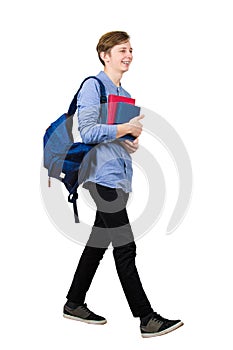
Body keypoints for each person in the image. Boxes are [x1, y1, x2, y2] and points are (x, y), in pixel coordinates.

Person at [63, 31, 183, 338]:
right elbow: (87, 131)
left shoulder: (123, 92)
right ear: (105, 54)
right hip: (100, 177)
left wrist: (128, 141)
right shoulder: (94, 86)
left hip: (117, 177)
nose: (128, 55)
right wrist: (122, 127)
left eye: (130, 50)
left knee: (97, 245)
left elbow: (112, 136)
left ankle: (74, 303)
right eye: (121, 50)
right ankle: (146, 318)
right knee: (125, 246)